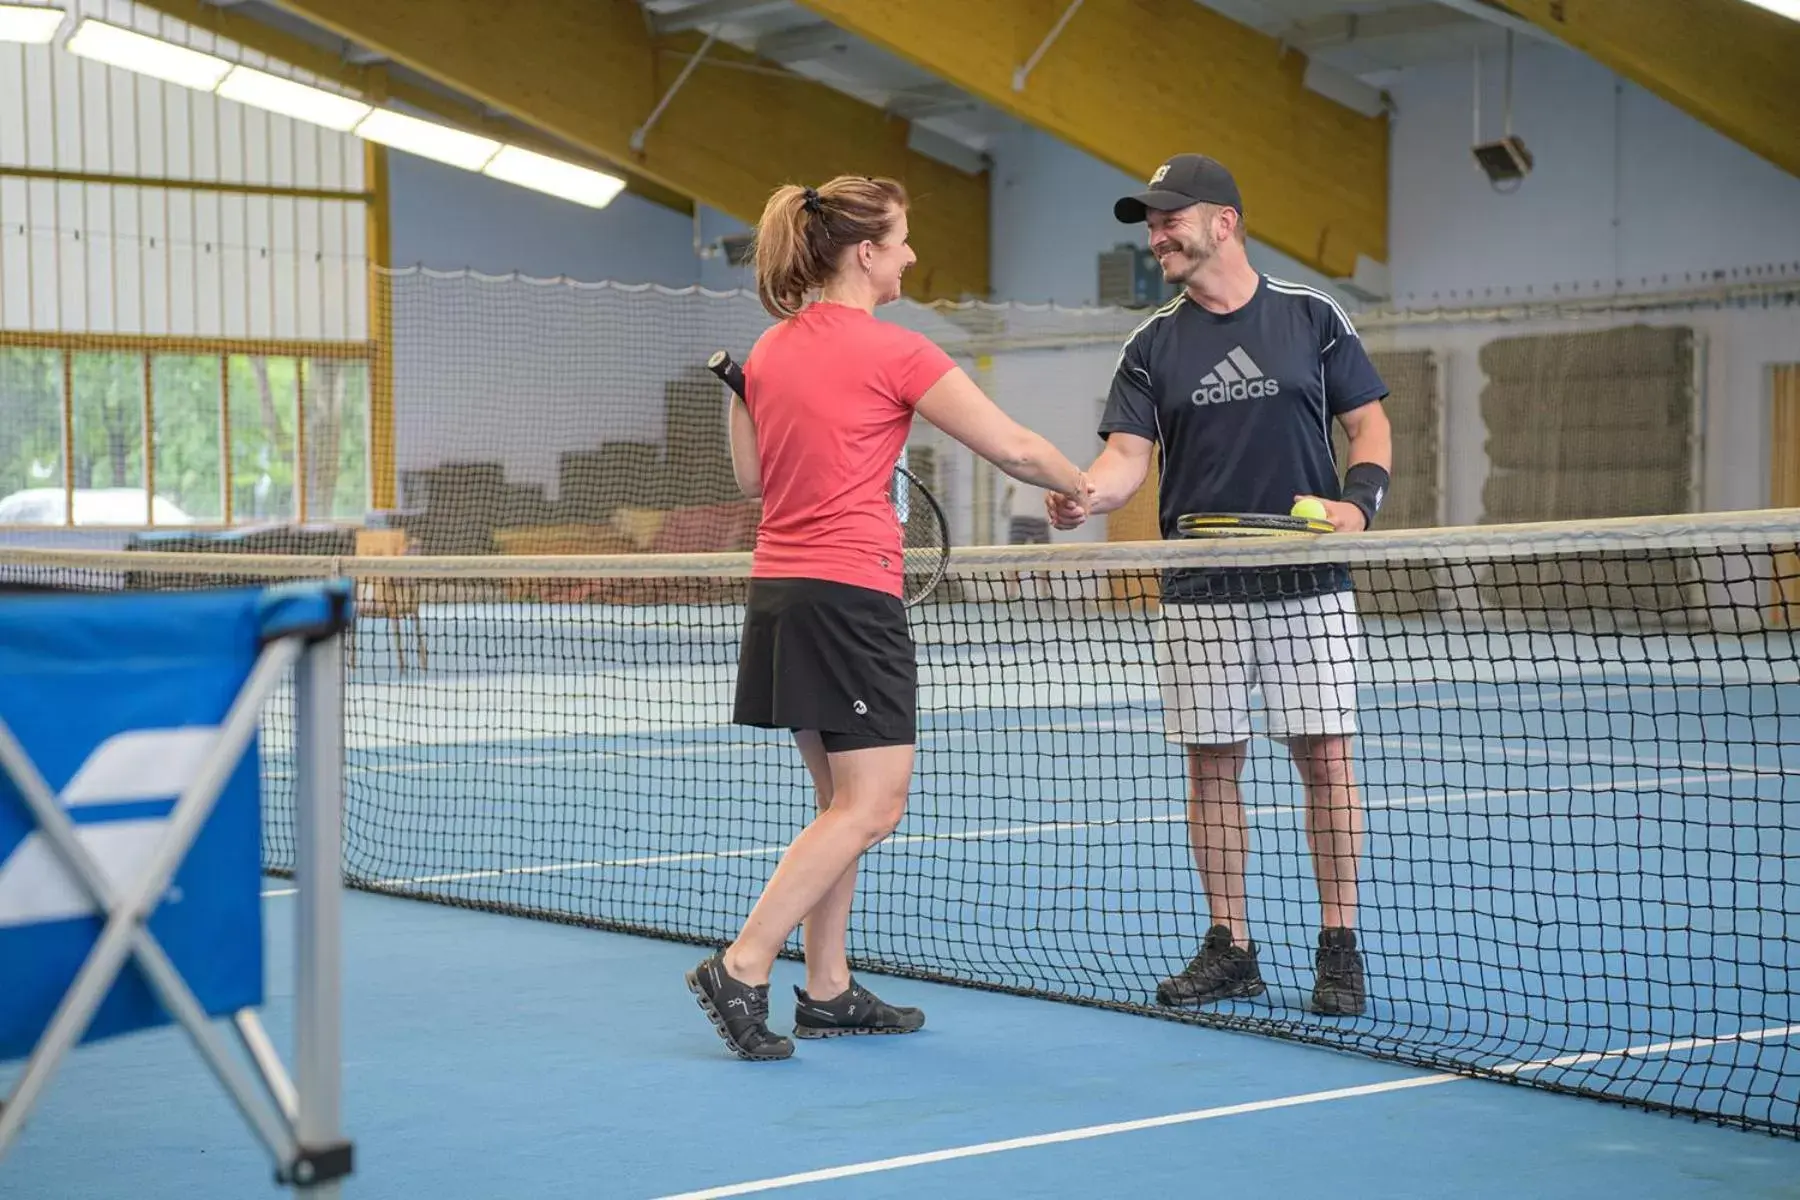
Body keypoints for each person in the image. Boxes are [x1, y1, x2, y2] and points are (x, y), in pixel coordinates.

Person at [689, 175, 1091, 1060]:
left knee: (839, 801)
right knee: (874, 806)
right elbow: (1015, 446)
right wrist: (1083, 487)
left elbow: (753, 482)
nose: (911, 254)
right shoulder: (896, 350)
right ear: (865, 253)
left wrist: (745, 391)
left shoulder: (769, 348)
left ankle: (827, 989)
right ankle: (743, 965)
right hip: (848, 597)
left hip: (781, 598)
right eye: (903, 240)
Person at [1049, 153, 1392, 1017]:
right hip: (1199, 589)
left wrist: (1358, 507)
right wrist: (1087, 493)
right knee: (1212, 768)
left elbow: (1369, 422)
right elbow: (1127, 458)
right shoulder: (1150, 344)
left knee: (1326, 759)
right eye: (1150, 223)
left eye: (1170, 219)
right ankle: (1231, 943)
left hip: (1307, 580)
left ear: (1224, 223)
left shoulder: (1311, 318)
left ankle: (1339, 943)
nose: (1156, 235)